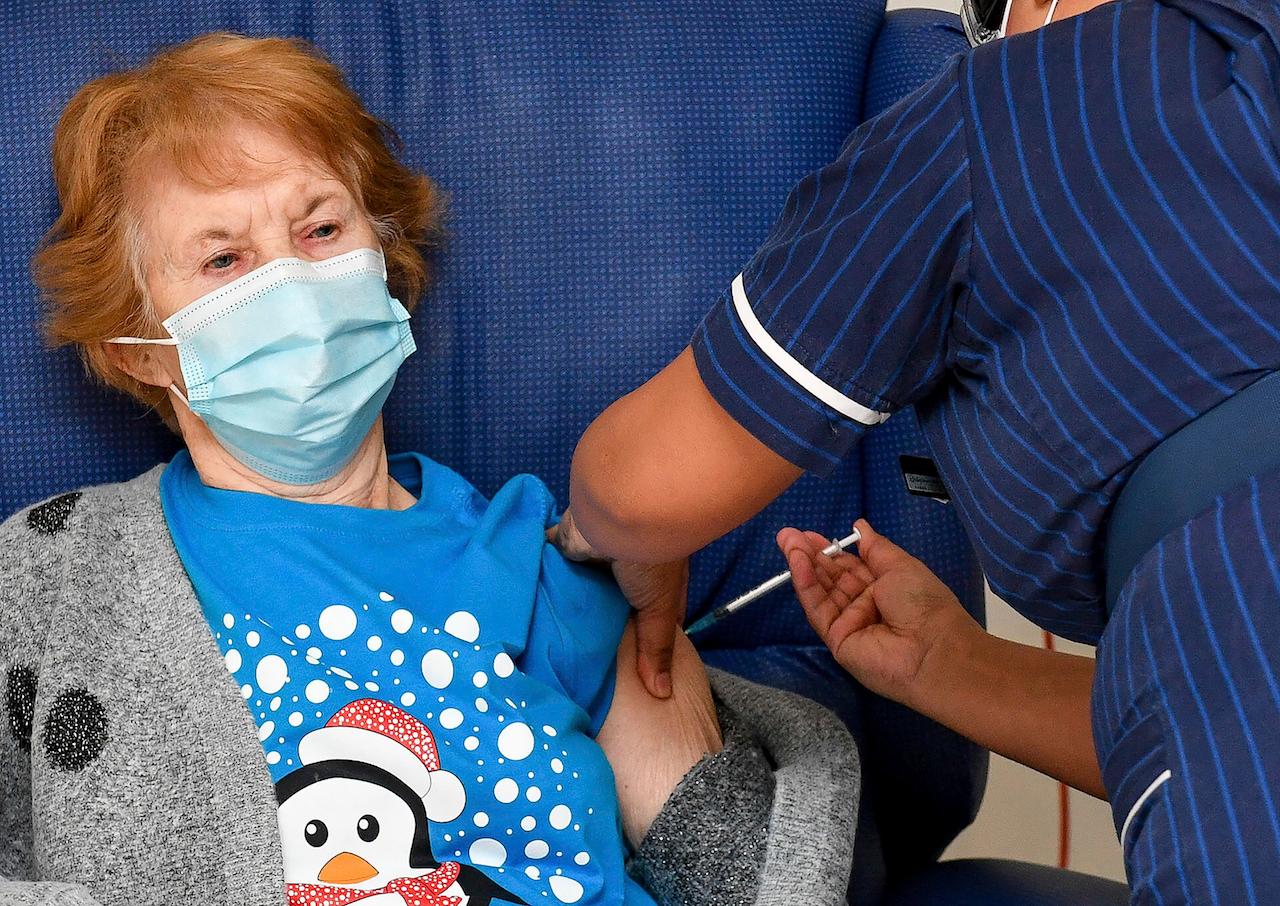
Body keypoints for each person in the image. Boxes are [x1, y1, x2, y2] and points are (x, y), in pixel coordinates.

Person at [0, 33, 860, 906]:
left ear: (382, 258)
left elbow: (735, 877)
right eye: (225, 259)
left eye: (323, 228)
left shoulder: (544, 568)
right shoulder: (57, 573)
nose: (295, 283)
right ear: (137, 349)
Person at [557, 0, 1280, 899]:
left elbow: (639, 491)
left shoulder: (1003, 113)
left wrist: (609, 536)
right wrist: (956, 668)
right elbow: (1187, 714)